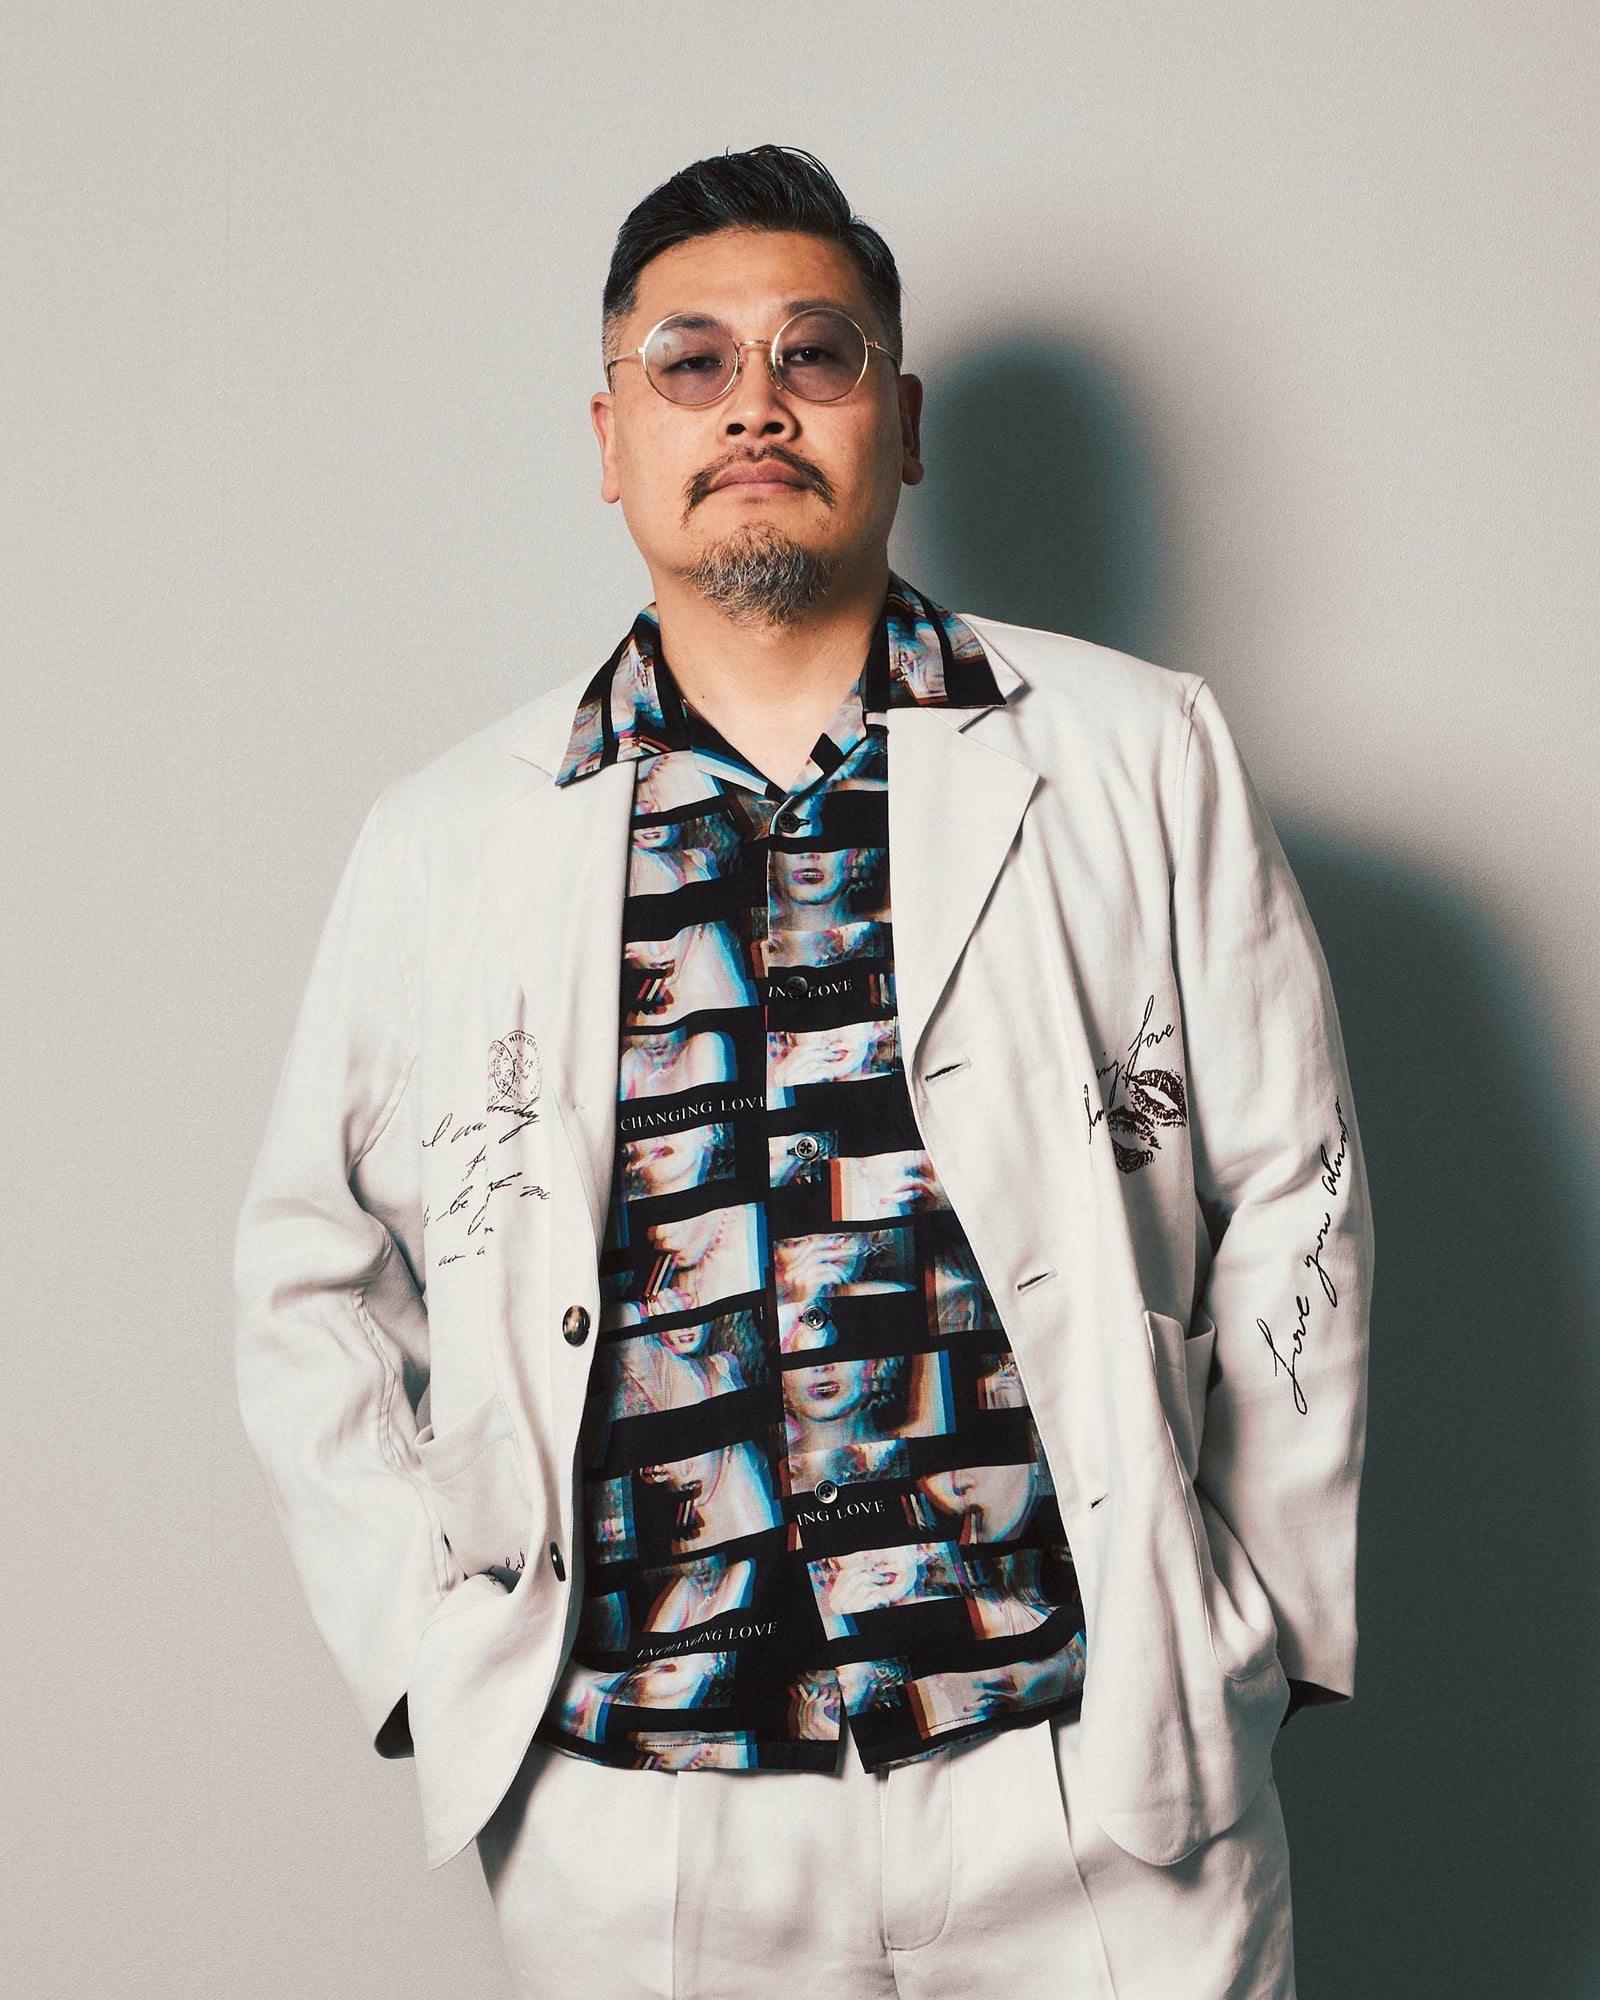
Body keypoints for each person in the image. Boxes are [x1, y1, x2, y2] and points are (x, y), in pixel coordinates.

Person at [234, 144, 1373, 1998]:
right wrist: (425, 1656)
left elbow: (1293, 1187)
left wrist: (1265, 1628)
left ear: (900, 424)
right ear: (610, 438)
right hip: (645, 1813)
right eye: (690, 361)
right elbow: (310, 1272)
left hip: (1092, 1766)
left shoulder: (1139, 752)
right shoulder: (447, 840)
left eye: (815, 353)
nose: (753, 402)